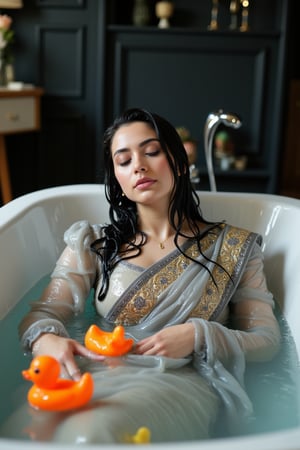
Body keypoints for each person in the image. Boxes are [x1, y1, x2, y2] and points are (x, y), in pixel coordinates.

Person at [17, 108, 281, 444]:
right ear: (117, 180)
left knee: (88, 436)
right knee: (29, 434)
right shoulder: (93, 244)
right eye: (124, 161)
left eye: (152, 152)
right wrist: (47, 340)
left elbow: (267, 341)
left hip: (180, 379)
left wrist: (199, 335)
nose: (138, 165)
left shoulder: (235, 248)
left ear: (180, 162)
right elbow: (44, 314)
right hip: (91, 371)